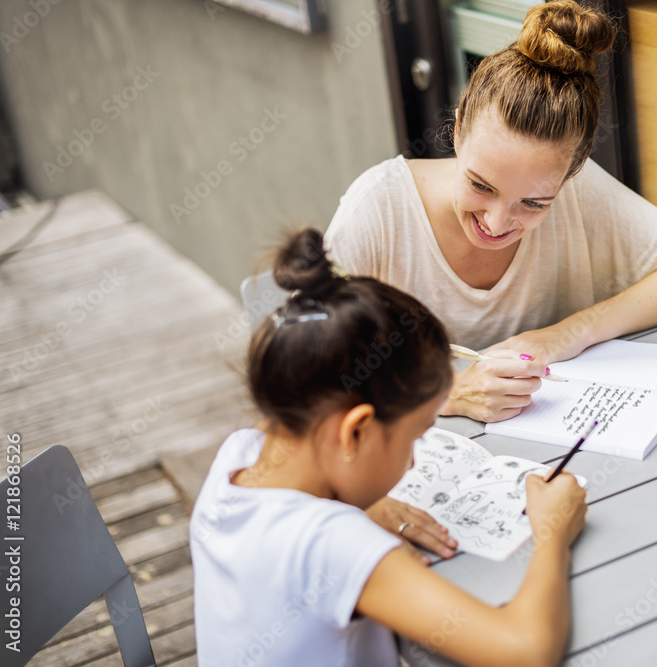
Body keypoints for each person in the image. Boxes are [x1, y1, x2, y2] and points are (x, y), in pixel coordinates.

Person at [190, 228, 588, 666]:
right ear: (354, 432)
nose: (415, 459)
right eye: (415, 435)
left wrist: (360, 506)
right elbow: (525, 653)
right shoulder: (333, 543)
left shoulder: (240, 453)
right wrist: (553, 532)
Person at [325, 0, 657, 424]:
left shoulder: (579, 190)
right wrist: (450, 394)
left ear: (572, 173)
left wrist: (568, 333)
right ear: (458, 129)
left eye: (534, 203)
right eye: (481, 185)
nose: (496, 224)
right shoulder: (380, 209)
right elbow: (303, 371)